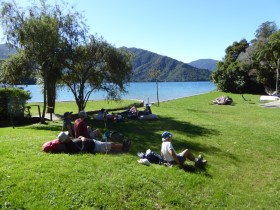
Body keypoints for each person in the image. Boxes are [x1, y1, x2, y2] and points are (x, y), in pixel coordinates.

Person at [57, 131, 131, 153]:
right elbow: (81, 151)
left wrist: (80, 137)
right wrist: (83, 140)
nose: (69, 135)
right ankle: (124, 146)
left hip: (93, 142)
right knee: (110, 145)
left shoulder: (70, 142)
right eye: (67, 136)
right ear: (65, 138)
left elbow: (77, 142)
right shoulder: (71, 145)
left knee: (109, 145)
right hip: (94, 146)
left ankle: (122, 146)